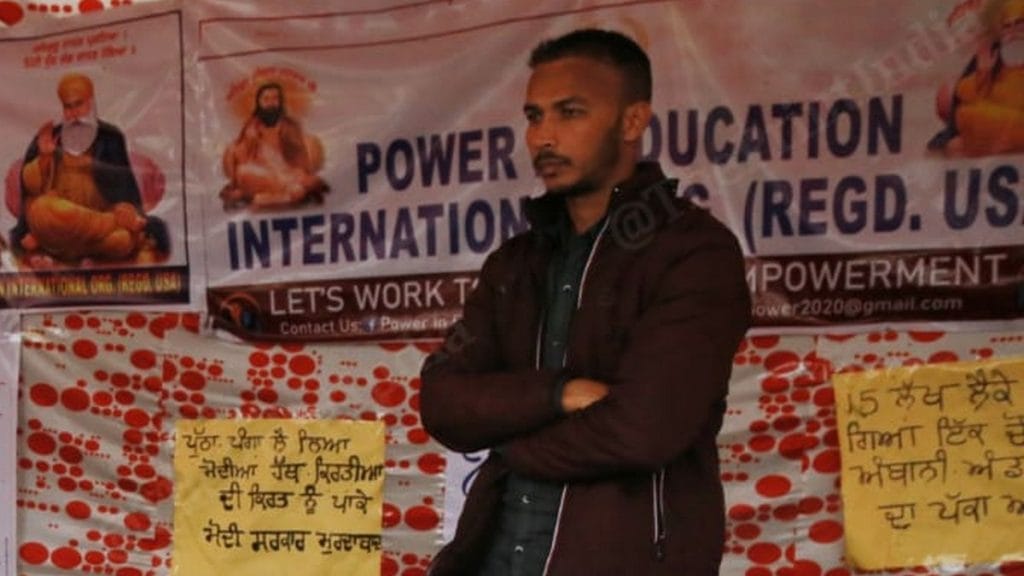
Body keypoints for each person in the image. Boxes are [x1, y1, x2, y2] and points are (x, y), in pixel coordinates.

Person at [420, 29, 751, 575]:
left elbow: (643, 430)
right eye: (533, 116)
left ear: (632, 121)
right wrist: (557, 394)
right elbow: (441, 400)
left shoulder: (693, 252)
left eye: (569, 113)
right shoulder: (515, 264)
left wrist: (508, 442)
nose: (544, 137)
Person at [14, 72, 169, 267]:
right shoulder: (50, 137)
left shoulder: (110, 136)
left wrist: (126, 210)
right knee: (45, 209)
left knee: (121, 241)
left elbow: (123, 185)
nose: (74, 114)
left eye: (78, 104)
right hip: (61, 223)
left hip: (92, 232)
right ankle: (109, 224)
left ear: (91, 103)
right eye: (68, 107)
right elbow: (31, 187)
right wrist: (44, 157)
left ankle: (75, 250)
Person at [220, 82, 328, 209]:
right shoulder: (250, 129)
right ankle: (286, 195)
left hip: (289, 174)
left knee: (303, 181)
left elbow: (302, 159)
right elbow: (240, 156)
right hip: (260, 175)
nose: (271, 103)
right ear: (258, 103)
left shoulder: (291, 128)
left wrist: (295, 173)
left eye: (275, 98)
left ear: (280, 102)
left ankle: (269, 198)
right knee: (245, 172)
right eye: (266, 99)